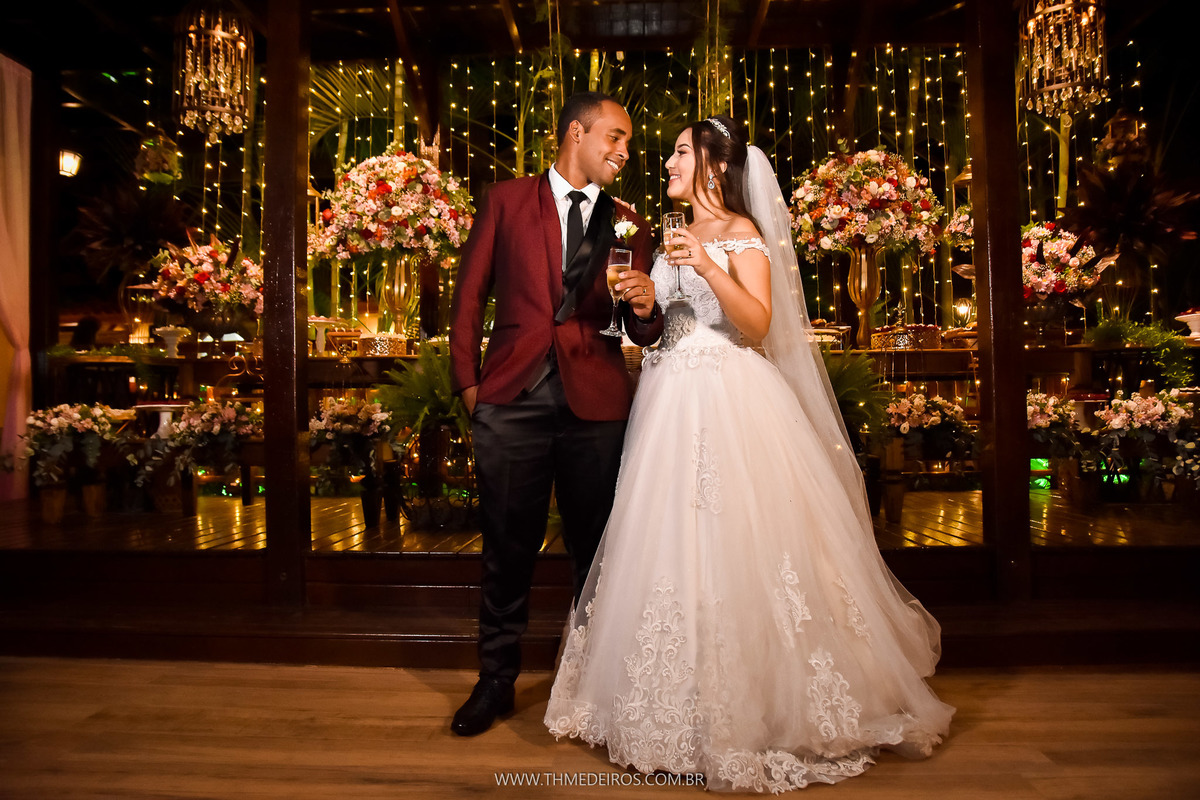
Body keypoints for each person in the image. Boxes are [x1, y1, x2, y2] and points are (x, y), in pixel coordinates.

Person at [544, 116, 954, 792]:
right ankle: (669, 704)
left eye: (682, 152)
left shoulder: (744, 233)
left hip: (727, 398)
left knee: (739, 543)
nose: (668, 162)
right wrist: (644, 302)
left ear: (713, 166)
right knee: (667, 543)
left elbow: (758, 324)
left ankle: (760, 705)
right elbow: (664, 327)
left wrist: (708, 263)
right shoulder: (670, 234)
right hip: (666, 400)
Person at [448, 92, 664, 737]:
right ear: (577, 132)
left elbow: (640, 331)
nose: (624, 152)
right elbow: (468, 296)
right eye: (615, 137)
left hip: (596, 404)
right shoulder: (505, 200)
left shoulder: (631, 223)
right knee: (505, 545)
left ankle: (595, 685)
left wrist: (646, 308)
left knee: (597, 552)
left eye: (628, 143)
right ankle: (495, 680)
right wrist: (470, 385)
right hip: (509, 397)